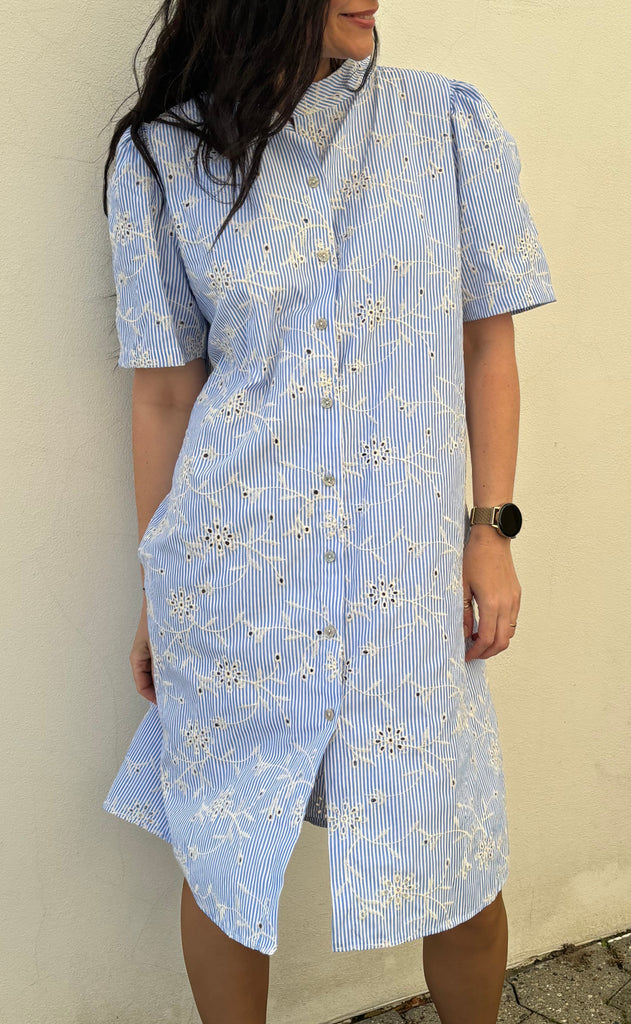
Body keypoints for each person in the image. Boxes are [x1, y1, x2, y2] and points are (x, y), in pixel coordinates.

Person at [101, 2, 557, 1022]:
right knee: (225, 854)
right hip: (231, 573)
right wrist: (159, 587)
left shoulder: (445, 124)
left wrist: (490, 529)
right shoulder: (164, 158)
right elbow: (165, 392)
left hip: (405, 576)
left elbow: (487, 345)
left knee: (453, 855)